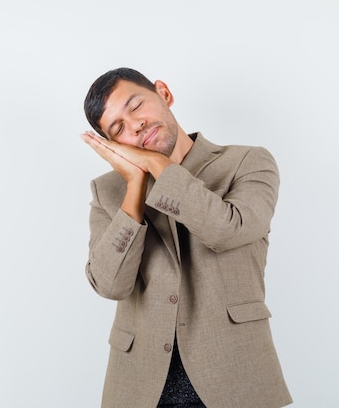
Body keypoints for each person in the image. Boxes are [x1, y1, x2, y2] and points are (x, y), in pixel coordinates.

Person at [79, 67, 292, 408]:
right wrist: (134, 185)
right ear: (112, 145)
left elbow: (228, 229)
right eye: (118, 128)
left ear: (163, 92)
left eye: (136, 106)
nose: (134, 125)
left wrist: (158, 167)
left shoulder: (247, 163)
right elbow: (110, 285)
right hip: (141, 386)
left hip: (235, 374)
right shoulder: (108, 191)